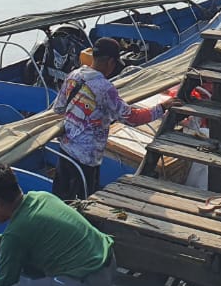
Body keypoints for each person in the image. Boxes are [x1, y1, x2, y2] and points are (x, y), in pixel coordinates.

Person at [49, 36, 181, 198]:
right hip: (86, 158)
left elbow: (59, 108)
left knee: (61, 197)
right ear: (111, 62)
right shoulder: (105, 88)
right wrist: (162, 107)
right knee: (82, 202)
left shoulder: (73, 75)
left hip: (65, 150)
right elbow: (132, 118)